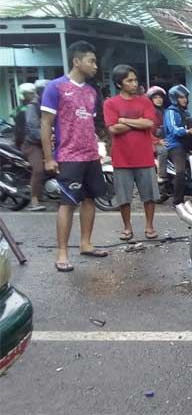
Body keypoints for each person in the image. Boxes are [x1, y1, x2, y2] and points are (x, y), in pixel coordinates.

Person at [40, 41, 109, 272]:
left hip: (90, 155)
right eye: (91, 61)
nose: (95, 66)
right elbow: (45, 123)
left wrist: (100, 150)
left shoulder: (91, 92)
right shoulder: (56, 87)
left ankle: (86, 244)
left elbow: (89, 123)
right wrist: (49, 158)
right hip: (68, 155)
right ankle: (61, 253)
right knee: (68, 203)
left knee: (90, 200)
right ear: (76, 61)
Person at [103, 65, 160, 241]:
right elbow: (113, 128)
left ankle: (149, 226)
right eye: (129, 80)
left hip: (145, 156)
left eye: (135, 79)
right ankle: (127, 227)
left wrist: (124, 120)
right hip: (122, 158)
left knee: (149, 196)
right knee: (123, 197)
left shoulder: (145, 101)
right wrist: (138, 121)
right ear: (119, 83)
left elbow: (149, 123)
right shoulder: (110, 103)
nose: (134, 83)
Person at [163, 84, 192, 207]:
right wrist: (187, 131)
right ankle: (177, 201)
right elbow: (173, 129)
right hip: (175, 145)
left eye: (185, 97)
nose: (184, 99)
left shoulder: (185, 112)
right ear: (175, 98)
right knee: (180, 171)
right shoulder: (171, 112)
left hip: (186, 142)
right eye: (181, 97)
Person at [16, 82, 46, 211]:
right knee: (38, 169)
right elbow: (33, 128)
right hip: (32, 144)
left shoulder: (46, 105)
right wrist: (46, 137)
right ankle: (34, 200)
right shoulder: (32, 106)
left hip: (44, 141)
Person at [147, 86, 168, 183]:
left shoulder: (165, 111)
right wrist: (158, 141)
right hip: (152, 141)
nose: (159, 100)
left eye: (160, 97)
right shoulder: (149, 113)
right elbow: (148, 132)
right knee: (163, 151)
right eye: (155, 98)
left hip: (165, 138)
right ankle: (161, 175)